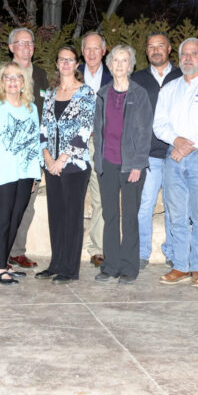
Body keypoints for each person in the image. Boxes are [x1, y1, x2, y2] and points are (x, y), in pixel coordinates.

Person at [153, 38, 198, 288]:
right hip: (174, 157)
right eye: (184, 54)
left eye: (193, 54)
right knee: (176, 216)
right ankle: (180, 266)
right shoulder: (169, 89)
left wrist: (187, 145)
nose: (187, 58)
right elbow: (159, 124)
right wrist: (176, 141)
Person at [0, 27, 49, 269]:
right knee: (2, 213)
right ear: (11, 47)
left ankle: (16, 251)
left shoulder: (40, 75)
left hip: (30, 158)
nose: (26, 47)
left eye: (29, 43)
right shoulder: (2, 74)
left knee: (25, 209)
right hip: (4, 160)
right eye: (20, 43)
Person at [35, 46, 96, 284]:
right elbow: (43, 128)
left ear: (77, 64)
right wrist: (48, 158)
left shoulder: (87, 93)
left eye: (70, 60)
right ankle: (56, 263)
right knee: (56, 217)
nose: (66, 64)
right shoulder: (50, 93)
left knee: (71, 218)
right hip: (51, 166)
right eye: (62, 60)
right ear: (57, 64)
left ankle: (70, 269)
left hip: (74, 166)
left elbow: (84, 130)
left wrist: (62, 159)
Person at [92, 45, 153, 284]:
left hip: (132, 166)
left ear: (131, 66)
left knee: (129, 217)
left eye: (124, 60)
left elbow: (145, 132)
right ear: (109, 65)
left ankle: (129, 268)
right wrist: (99, 163)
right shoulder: (103, 94)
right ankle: (110, 265)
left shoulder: (139, 94)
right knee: (110, 215)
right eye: (115, 60)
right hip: (107, 163)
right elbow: (98, 131)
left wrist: (138, 164)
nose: (119, 64)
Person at [0, 62, 42, 286]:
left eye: (18, 77)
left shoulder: (31, 108)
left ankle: (3, 263)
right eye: (8, 77)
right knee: (2, 221)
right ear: (1, 82)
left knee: (15, 220)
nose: (13, 81)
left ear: (24, 82)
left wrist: (35, 175)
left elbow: (34, 143)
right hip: (0, 174)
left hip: (25, 174)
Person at [131, 33, 182, 269]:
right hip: (148, 153)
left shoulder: (183, 76)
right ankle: (141, 253)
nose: (155, 50)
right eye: (150, 46)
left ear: (170, 49)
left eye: (160, 46)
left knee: (174, 207)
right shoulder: (137, 79)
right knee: (144, 205)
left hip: (176, 153)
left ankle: (172, 252)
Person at [78, 31, 112, 268]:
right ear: (82, 52)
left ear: (104, 50)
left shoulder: (115, 76)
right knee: (71, 198)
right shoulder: (71, 72)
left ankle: (97, 249)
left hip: (100, 144)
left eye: (96, 48)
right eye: (87, 49)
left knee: (101, 197)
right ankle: (67, 247)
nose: (91, 53)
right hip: (74, 145)